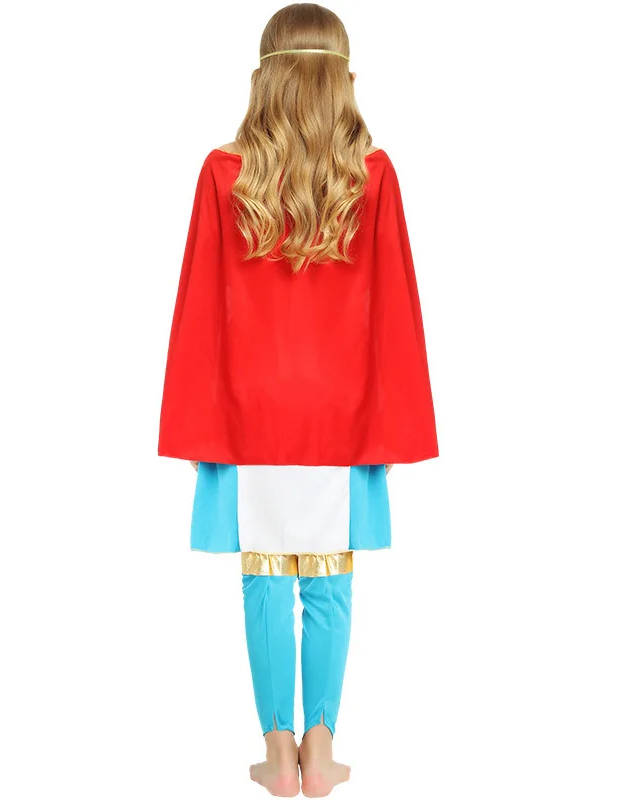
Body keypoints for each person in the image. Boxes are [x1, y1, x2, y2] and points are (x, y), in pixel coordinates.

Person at [157, 4, 438, 796]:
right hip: (341, 407)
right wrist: (392, 420)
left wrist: (199, 423)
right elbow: (394, 307)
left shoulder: (224, 173)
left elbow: (200, 307)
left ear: (265, 76)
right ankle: (321, 744)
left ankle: (278, 752)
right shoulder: (372, 174)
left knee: (263, 575)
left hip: (251, 405)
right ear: (342, 76)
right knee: (329, 578)